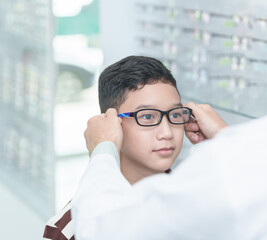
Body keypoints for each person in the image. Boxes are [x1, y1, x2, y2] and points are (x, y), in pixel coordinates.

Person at [72, 0, 267, 239]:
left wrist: (103, 149)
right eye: (148, 116)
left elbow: (105, 230)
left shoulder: (234, 165)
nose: (165, 132)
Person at [43, 56, 199, 240]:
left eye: (174, 114)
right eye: (147, 117)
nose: (167, 132)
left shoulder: (198, 197)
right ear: (113, 124)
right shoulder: (71, 228)